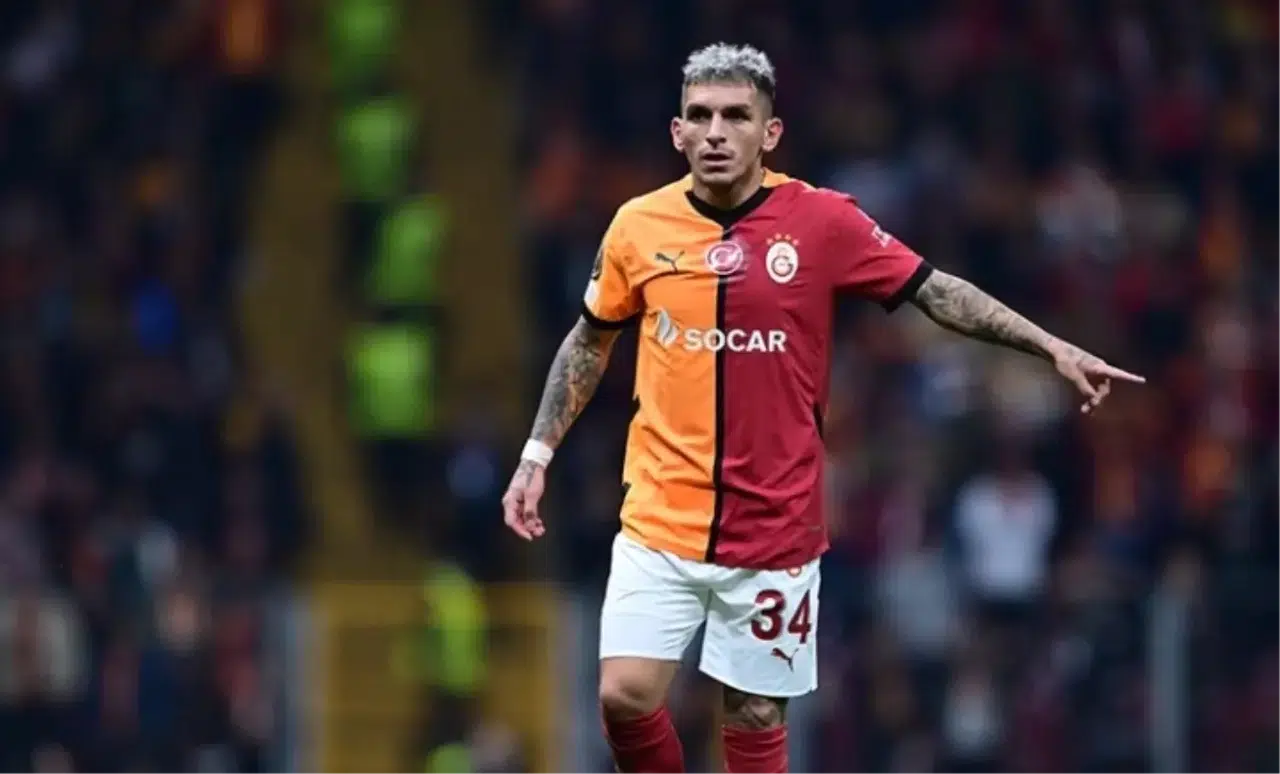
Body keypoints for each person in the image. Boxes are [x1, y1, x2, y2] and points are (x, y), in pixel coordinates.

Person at [500, 43, 1144, 774]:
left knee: (752, 715)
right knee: (624, 695)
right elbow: (588, 343)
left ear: (769, 132)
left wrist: (1047, 344)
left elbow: (934, 290)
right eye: (700, 116)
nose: (716, 132)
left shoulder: (822, 222)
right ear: (676, 132)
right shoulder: (637, 227)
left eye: (736, 116)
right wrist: (536, 454)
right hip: (659, 515)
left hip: (774, 525)